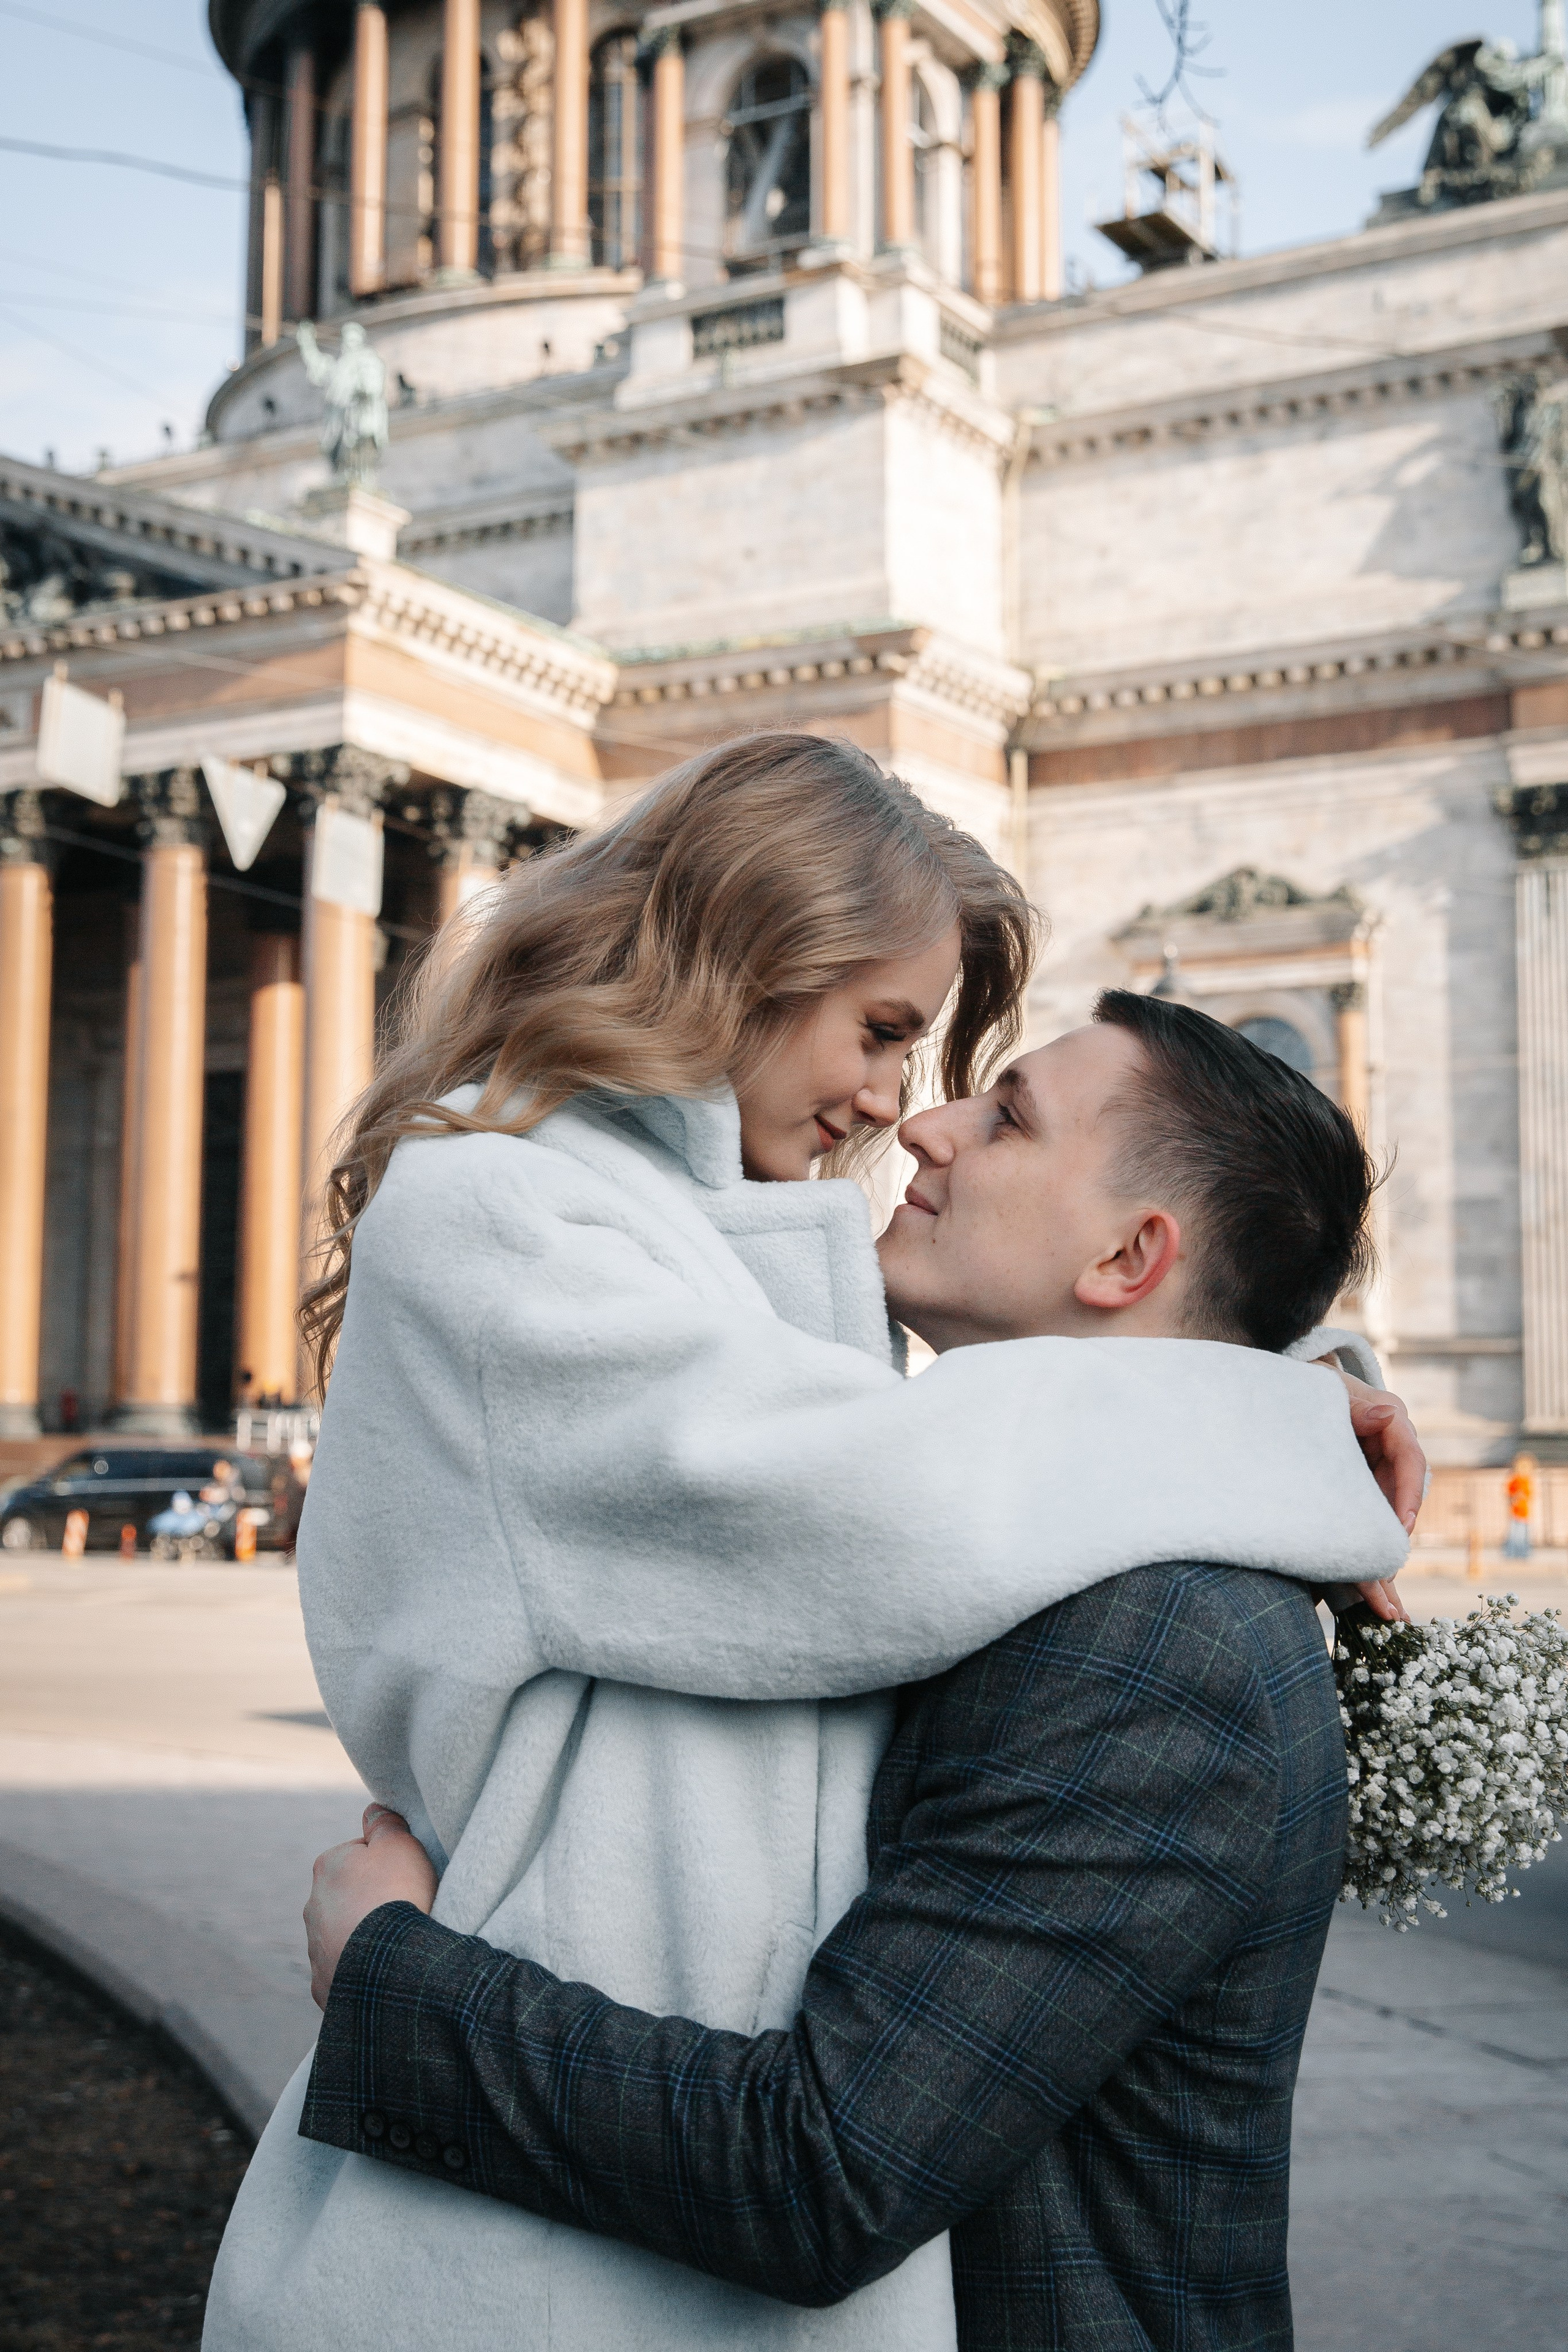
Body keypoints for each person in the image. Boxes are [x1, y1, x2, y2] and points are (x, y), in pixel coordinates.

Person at [203, 738, 1415, 2352]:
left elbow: (817, 2164)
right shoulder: (528, 1234)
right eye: (892, 1036)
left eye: (993, 1103)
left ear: (1132, 1255)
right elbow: (876, 1488)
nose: (916, 1122)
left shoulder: (1158, 1645)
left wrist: (387, 1979)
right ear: (738, 961)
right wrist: (1279, 1413)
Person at [1504, 1449, 1536, 1559]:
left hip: (1525, 1513)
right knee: (1515, 1535)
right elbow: (1510, 1494)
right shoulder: (1515, 1480)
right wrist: (1515, 1497)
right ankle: (1512, 1553)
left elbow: (1529, 1495)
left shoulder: (1527, 1481)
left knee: (1524, 1535)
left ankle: (1524, 1553)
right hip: (1515, 1512)